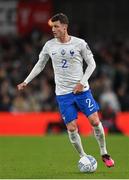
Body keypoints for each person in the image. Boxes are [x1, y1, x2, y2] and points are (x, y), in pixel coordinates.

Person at [17, 13, 114, 167]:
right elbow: (40, 64)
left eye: (56, 26)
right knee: (71, 127)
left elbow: (92, 64)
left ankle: (104, 152)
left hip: (82, 91)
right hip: (63, 94)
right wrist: (26, 81)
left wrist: (82, 83)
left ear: (64, 26)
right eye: (52, 26)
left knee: (95, 121)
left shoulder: (80, 43)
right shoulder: (49, 45)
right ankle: (83, 157)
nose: (53, 29)